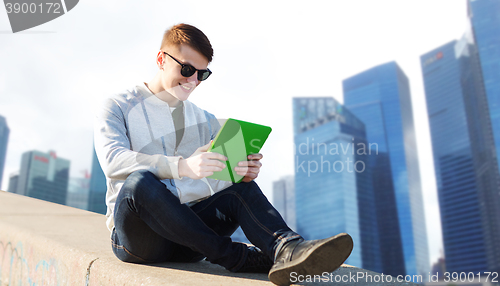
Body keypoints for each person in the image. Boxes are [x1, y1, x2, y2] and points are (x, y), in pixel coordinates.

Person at [94, 23, 353, 286]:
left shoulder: (204, 121)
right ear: (161, 59)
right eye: (186, 69)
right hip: (139, 241)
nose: (192, 81)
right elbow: (113, 161)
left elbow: (215, 180)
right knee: (139, 182)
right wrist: (182, 166)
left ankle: (287, 249)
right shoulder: (118, 106)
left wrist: (240, 172)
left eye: (201, 74)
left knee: (241, 189)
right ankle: (238, 257)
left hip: (188, 241)